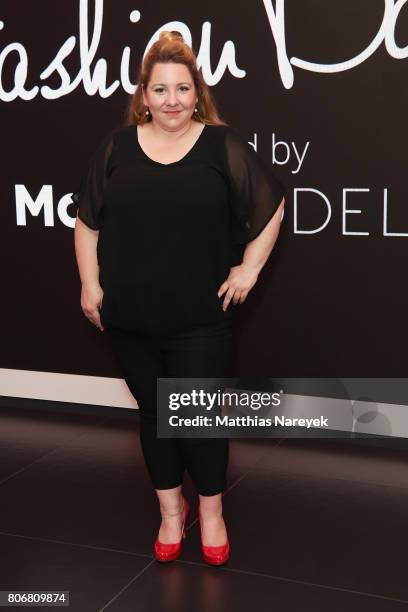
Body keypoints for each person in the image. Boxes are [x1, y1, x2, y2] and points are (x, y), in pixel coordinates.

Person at [73, 30, 286, 566]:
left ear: (198, 94)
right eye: (161, 89)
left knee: (198, 419)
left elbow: (271, 209)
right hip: (128, 317)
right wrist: (90, 284)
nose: (172, 100)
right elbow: (86, 223)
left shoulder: (223, 146)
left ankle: (211, 513)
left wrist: (248, 271)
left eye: (182, 89)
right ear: (144, 94)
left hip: (200, 320)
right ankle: (173, 512)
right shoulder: (116, 148)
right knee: (153, 416)